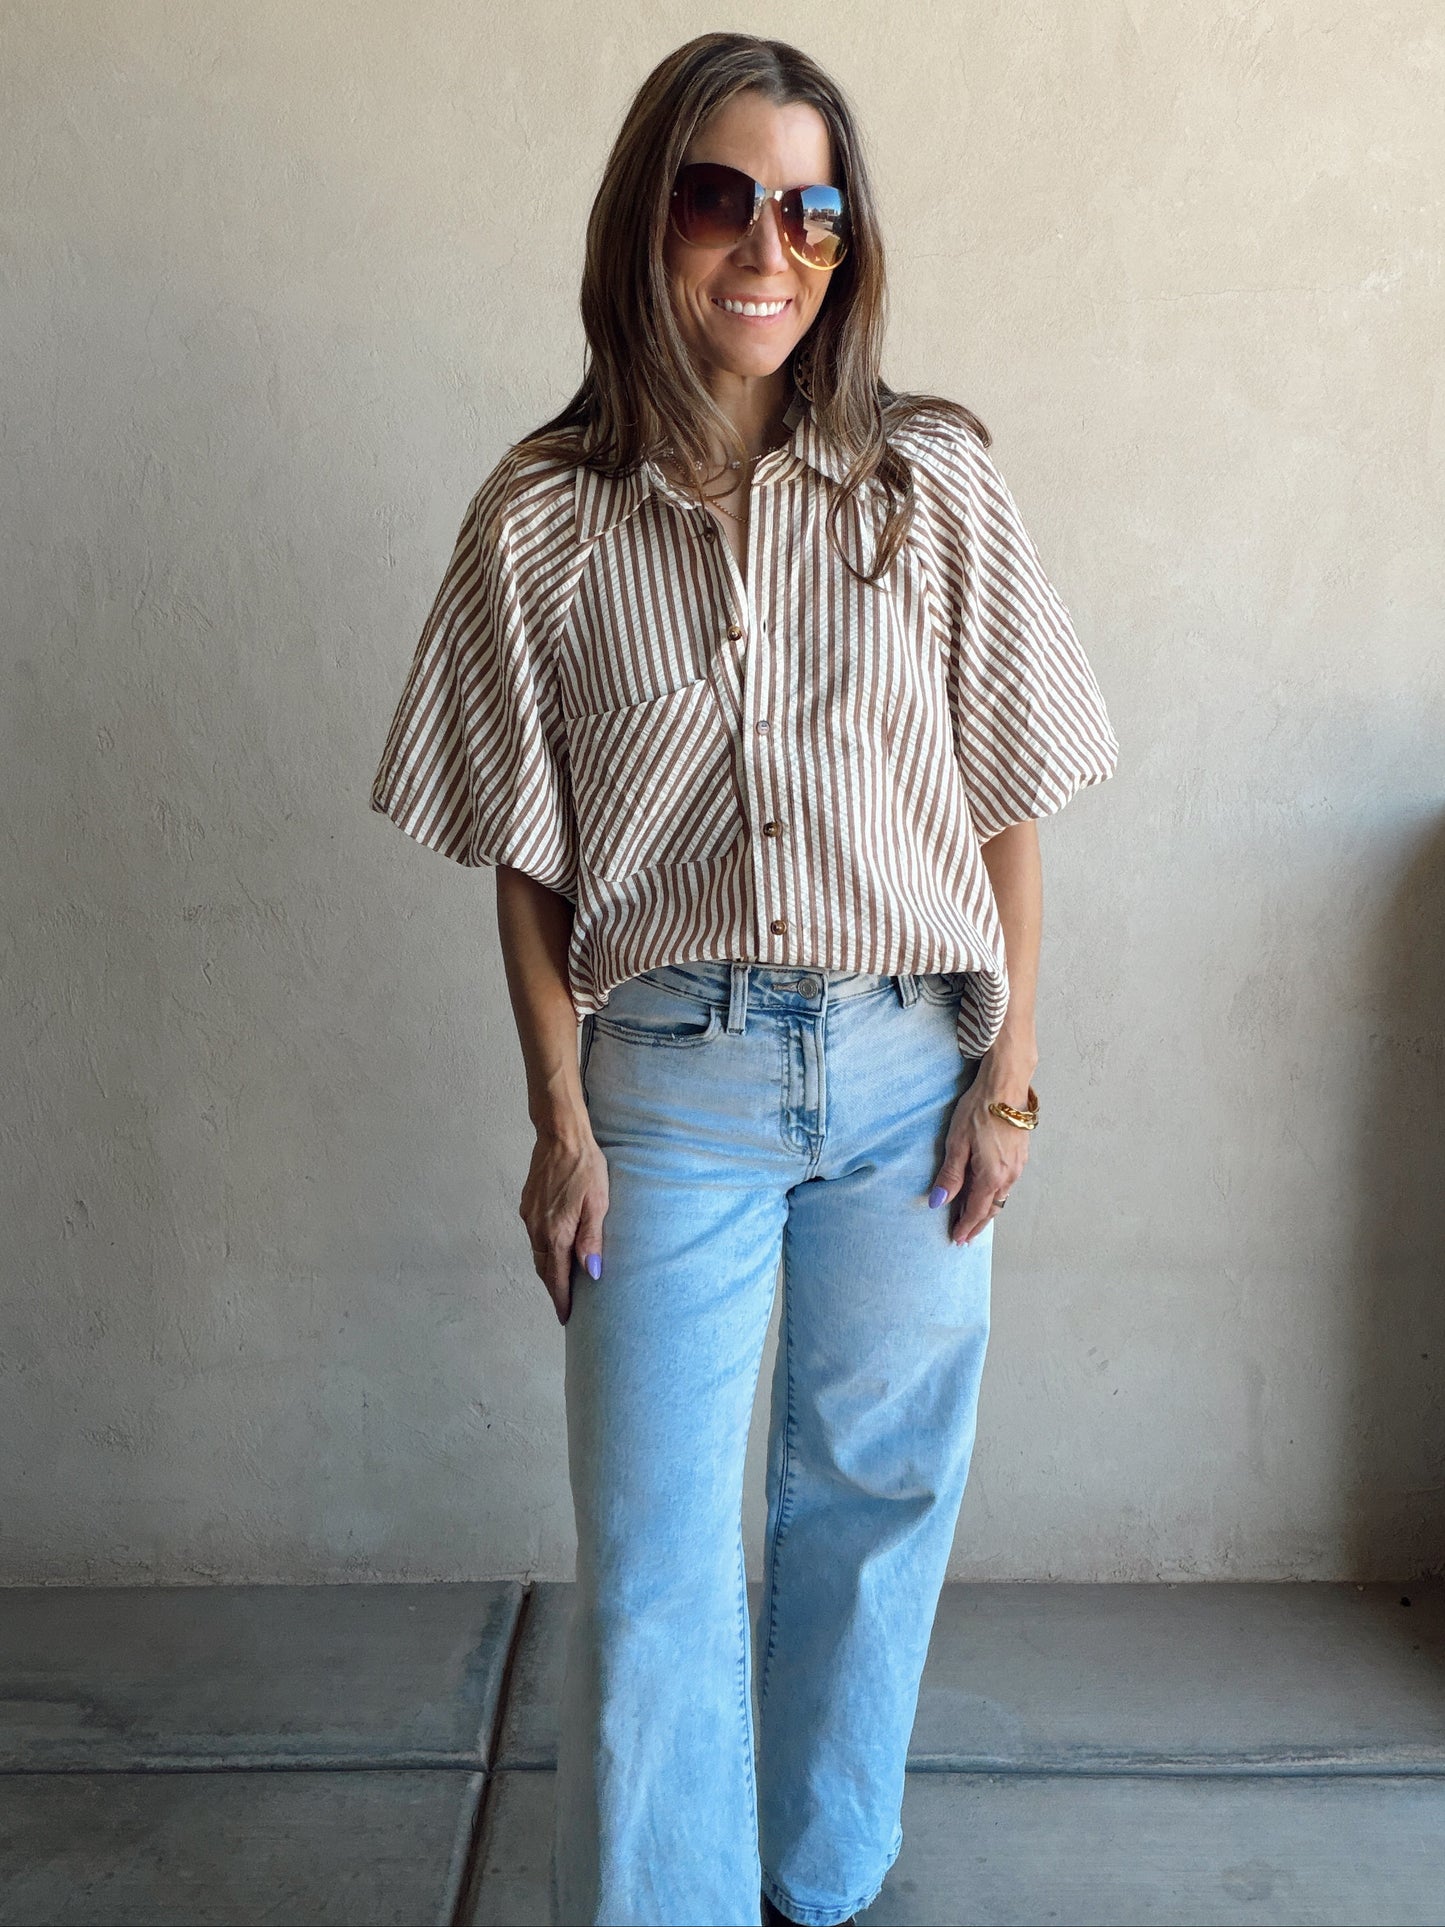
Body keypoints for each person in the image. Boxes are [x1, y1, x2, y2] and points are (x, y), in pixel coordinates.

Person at [369, 30, 1117, 1927]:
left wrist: (1009, 1069)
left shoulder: (928, 483)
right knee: (652, 1564)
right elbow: (527, 858)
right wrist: (555, 1118)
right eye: (721, 198)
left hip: (904, 1072)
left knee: (873, 1515)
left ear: (847, 243)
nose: (767, 247)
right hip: (667, 1086)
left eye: (812, 207)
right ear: (649, 220)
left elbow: (1008, 790)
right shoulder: (537, 517)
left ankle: (820, 1870)